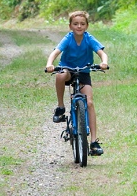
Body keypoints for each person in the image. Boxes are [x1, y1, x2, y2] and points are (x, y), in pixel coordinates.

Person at [45, 10, 109, 156]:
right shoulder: (68, 38)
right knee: (60, 75)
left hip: (84, 72)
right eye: (75, 24)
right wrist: (49, 64)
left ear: (86, 26)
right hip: (68, 70)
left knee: (90, 103)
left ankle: (93, 142)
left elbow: (102, 53)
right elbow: (55, 52)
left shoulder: (89, 38)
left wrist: (104, 62)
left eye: (82, 24)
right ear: (70, 26)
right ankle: (61, 107)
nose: (79, 26)